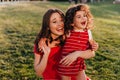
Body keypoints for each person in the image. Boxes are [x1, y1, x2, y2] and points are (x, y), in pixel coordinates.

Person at [33, 8, 98, 80]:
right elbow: (38, 72)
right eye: (54, 22)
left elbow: (92, 53)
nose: (60, 24)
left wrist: (77, 54)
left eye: (61, 20)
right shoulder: (42, 44)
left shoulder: (69, 37)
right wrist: (46, 55)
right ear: (48, 26)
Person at [57, 4, 96, 80]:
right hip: (66, 64)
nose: (83, 18)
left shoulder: (88, 32)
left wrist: (94, 46)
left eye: (84, 15)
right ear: (72, 22)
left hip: (78, 65)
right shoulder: (68, 32)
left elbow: (92, 48)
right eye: (79, 17)